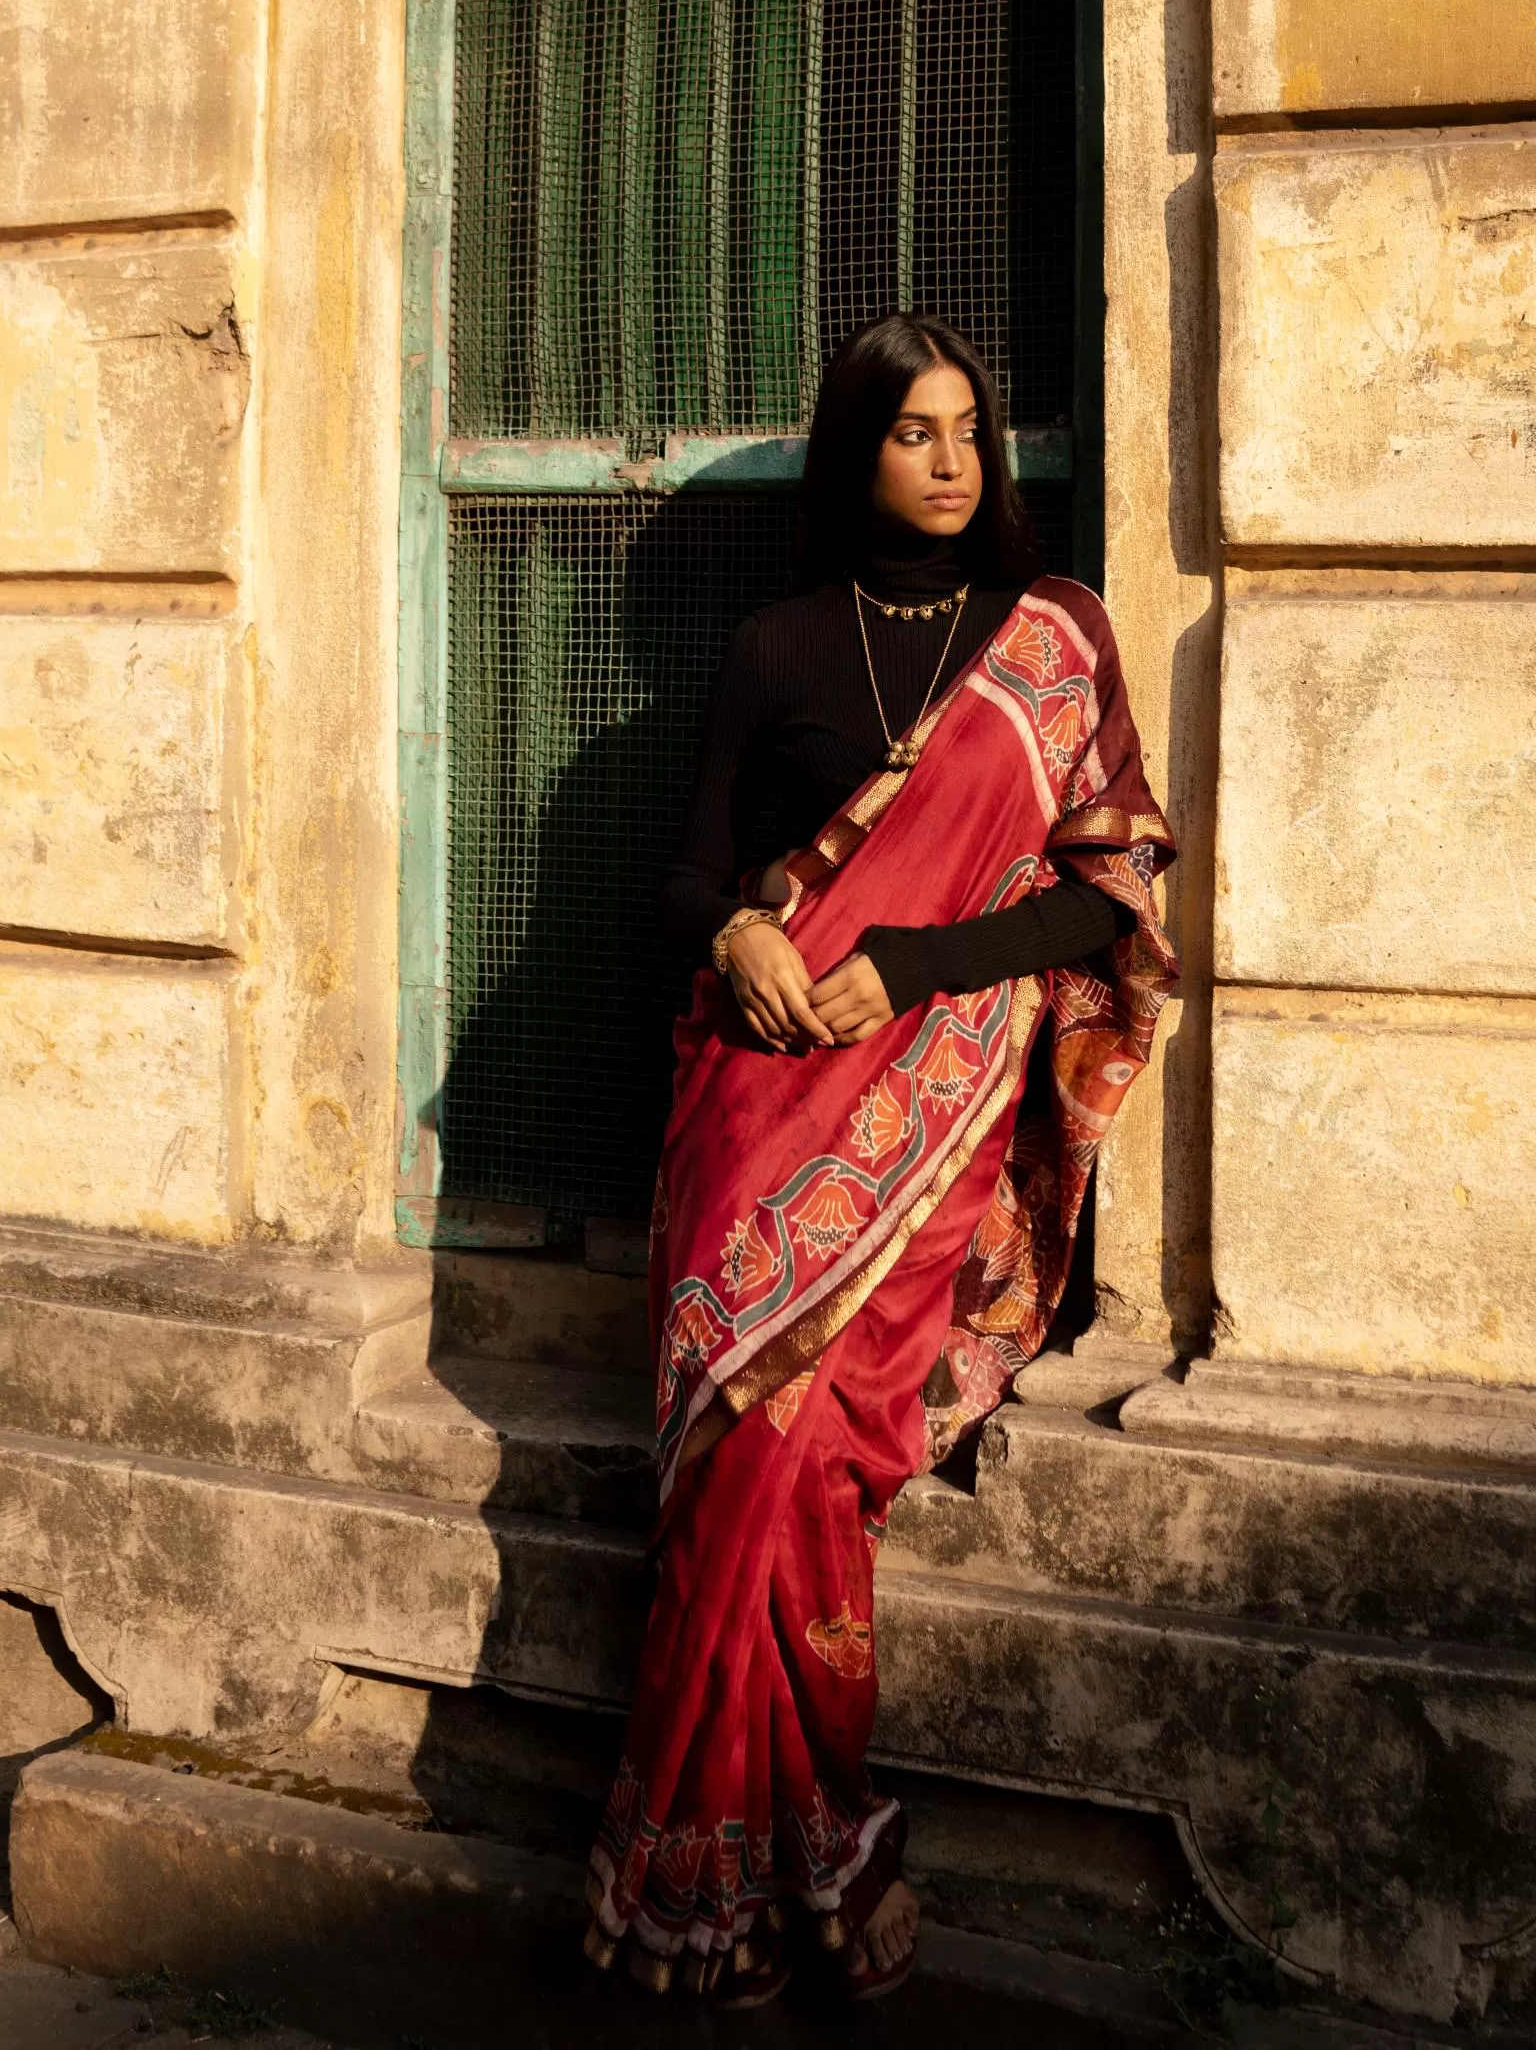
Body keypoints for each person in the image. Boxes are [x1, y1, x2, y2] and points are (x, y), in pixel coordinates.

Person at [583, 313, 1177, 2007]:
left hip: (924, 1111)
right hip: (754, 1107)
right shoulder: (776, 647)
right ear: (855, 453)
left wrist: (913, 964)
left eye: (970, 431)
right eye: (914, 432)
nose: (951, 462)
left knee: (803, 1467)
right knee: (732, 1461)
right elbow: (689, 878)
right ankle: (746, 1866)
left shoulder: (1050, 643)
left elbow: (1110, 895)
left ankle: (794, 1835)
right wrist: (742, 944)